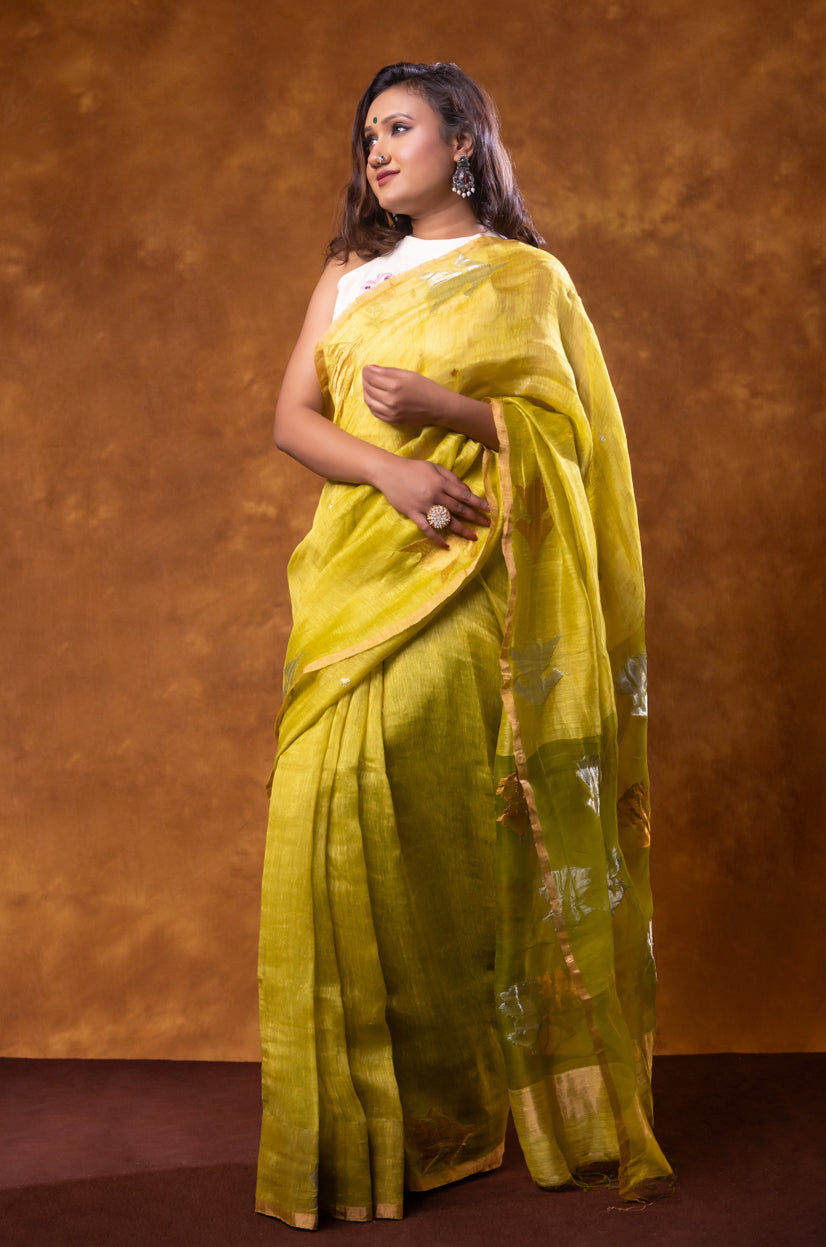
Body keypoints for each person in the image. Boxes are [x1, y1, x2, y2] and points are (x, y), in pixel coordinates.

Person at [257, 61, 673, 1230]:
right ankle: (355, 1132)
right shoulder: (348, 274)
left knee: (436, 832)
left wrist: (451, 414)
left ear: (465, 144)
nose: (377, 151)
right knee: (325, 814)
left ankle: (458, 1104)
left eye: (399, 127)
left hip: (468, 587)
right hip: (352, 582)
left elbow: (576, 439)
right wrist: (389, 466)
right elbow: (294, 419)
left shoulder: (527, 278)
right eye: (366, 135)